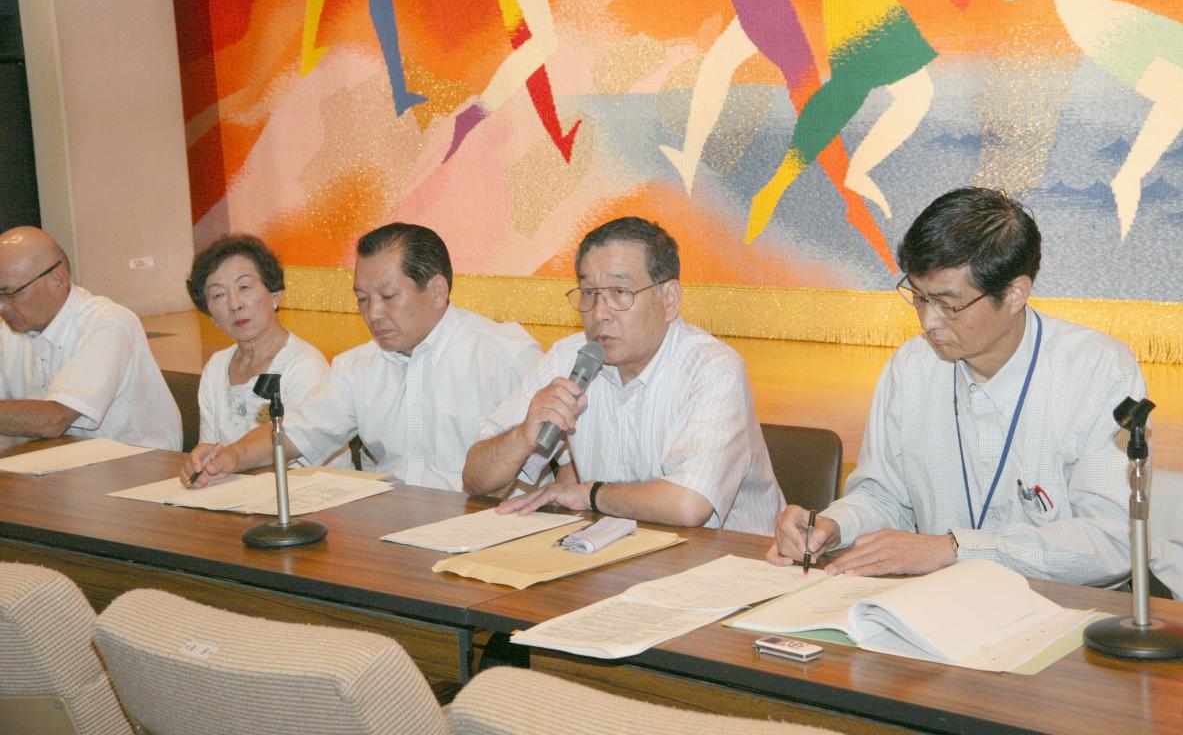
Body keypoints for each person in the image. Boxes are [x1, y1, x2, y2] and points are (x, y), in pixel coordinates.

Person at [769, 187, 1145, 586]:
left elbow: (1112, 541)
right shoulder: (912, 365)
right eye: (918, 297)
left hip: (1065, 606)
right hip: (937, 603)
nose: (929, 322)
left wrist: (954, 549)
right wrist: (832, 526)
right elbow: (884, 496)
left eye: (949, 304)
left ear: (1016, 292)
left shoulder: (1097, 369)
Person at [464, 216, 784, 535]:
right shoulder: (568, 357)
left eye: (620, 291)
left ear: (669, 300)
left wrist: (588, 494)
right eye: (589, 293)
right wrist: (522, 435)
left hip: (728, 565)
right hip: (617, 556)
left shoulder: (713, 368)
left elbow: (689, 505)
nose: (600, 313)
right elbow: (476, 478)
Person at [184, 222, 541, 490]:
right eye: (363, 299)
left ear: (436, 290)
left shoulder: (502, 356)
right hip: (386, 525)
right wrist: (231, 456)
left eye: (388, 296)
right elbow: (297, 430)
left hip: (478, 525)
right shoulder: (357, 366)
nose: (373, 314)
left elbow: (551, 467)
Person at [0, 227, 181, 449]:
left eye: (10, 293)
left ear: (57, 279)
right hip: (59, 465)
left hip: (137, 467)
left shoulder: (108, 323)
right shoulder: (8, 331)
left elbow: (52, 420)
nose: (2, 306)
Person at [185, 235, 331, 455]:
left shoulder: (305, 367)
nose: (234, 304)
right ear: (210, 314)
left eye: (244, 287)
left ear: (275, 295)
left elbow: (298, 452)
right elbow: (209, 449)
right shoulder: (216, 367)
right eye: (218, 295)